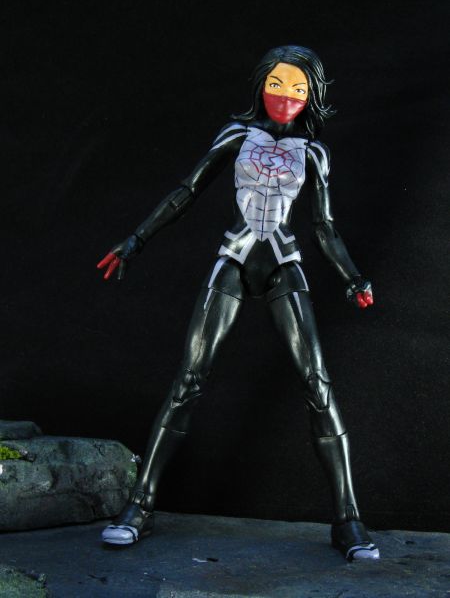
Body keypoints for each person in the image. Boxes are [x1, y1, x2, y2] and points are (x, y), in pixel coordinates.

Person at [97, 45, 379, 561]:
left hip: (283, 263)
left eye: (298, 88)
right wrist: (134, 241)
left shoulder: (314, 153)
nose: (286, 96)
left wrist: (352, 276)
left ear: (312, 95)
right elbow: (186, 192)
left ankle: (348, 519)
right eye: (277, 84)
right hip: (234, 257)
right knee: (189, 378)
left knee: (317, 383)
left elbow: (325, 227)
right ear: (261, 85)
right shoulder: (236, 136)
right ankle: (139, 505)